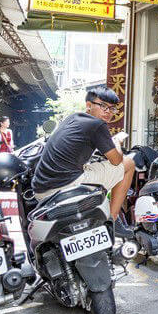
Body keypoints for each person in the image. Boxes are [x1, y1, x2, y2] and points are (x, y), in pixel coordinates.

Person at [31, 86, 135, 238]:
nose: (108, 112)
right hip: (66, 185)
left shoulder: (72, 118)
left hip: (40, 190)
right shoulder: (97, 125)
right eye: (103, 106)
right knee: (129, 164)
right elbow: (116, 160)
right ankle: (112, 220)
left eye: (112, 109)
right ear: (89, 105)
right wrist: (116, 142)